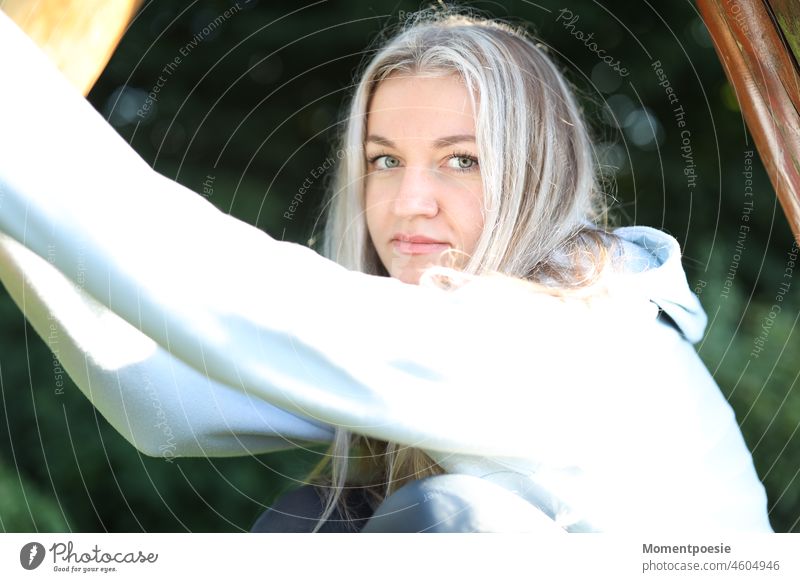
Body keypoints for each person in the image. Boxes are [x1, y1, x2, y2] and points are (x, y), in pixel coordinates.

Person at [0, 7, 772, 533]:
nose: (409, 202)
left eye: (461, 161)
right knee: (323, 520)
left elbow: (228, 297)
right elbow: (165, 403)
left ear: (537, 173)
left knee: (454, 519)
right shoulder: (451, 359)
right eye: (384, 161)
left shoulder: (563, 342)